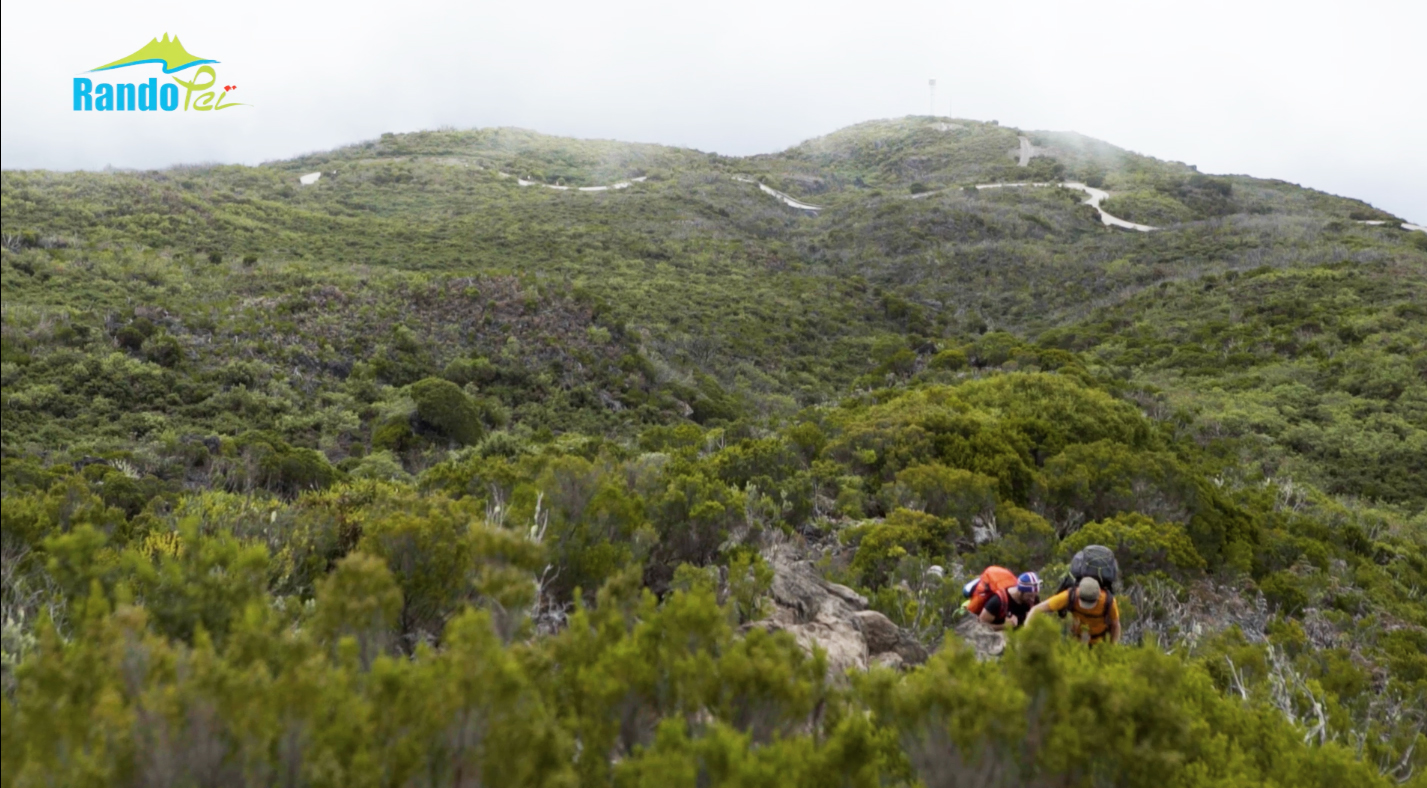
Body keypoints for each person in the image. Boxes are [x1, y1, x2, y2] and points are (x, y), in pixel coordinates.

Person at [1026, 576, 1120, 645]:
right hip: (1076, 643)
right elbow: (1036, 609)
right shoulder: (1070, 596)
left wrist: (1112, 647)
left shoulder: (1108, 601)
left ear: (1099, 594)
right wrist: (1025, 635)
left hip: (1100, 644)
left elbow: (1115, 625)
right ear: (1078, 592)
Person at [964, 567, 1040, 630]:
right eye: (1029, 596)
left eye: (1034, 595)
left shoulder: (1033, 600)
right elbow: (980, 625)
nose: (1032, 599)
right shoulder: (997, 601)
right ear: (1020, 591)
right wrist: (1004, 626)